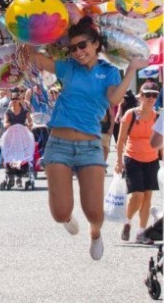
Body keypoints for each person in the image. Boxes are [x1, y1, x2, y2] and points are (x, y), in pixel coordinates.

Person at [31, 16, 147, 261]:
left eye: (82, 45)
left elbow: (114, 100)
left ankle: (95, 233)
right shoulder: (67, 66)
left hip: (90, 146)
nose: (77, 52)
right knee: (60, 213)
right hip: (59, 145)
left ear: (95, 44)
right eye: (72, 48)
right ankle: (67, 218)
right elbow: (38, 59)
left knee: (95, 212)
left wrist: (131, 70)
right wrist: (28, 36)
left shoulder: (109, 72)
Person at [116, 82, 161, 244]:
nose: (150, 98)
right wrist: (118, 161)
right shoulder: (130, 114)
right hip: (132, 158)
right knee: (137, 195)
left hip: (152, 159)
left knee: (148, 196)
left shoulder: (158, 116)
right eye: (147, 95)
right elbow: (121, 139)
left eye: (154, 95)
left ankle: (141, 233)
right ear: (140, 96)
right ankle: (127, 222)